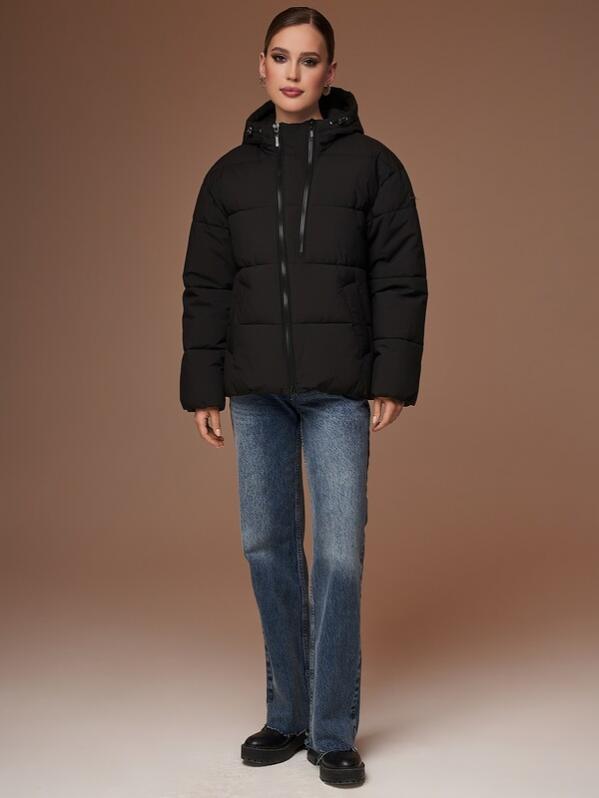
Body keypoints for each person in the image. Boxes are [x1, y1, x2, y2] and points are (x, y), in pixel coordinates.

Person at [179, 6, 428, 788]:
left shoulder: (373, 166)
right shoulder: (227, 176)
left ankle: (331, 731)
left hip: (335, 391)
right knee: (267, 547)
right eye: (281, 57)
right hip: (255, 391)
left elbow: (400, 277)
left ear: (330, 72)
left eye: (309, 59)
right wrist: (203, 384)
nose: (293, 73)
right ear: (261, 66)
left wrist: (390, 376)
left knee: (340, 557)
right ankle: (286, 715)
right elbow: (206, 286)